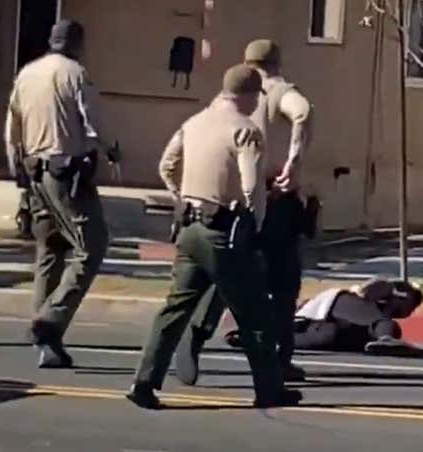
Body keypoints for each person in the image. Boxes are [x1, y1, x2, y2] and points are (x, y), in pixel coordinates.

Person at [126, 65, 302, 410]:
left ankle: (144, 382)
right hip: (224, 231)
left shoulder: (194, 123)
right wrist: (255, 220)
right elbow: (251, 185)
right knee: (256, 313)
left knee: (175, 308)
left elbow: (166, 165)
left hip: (190, 227)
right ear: (250, 96)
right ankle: (270, 389)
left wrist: (183, 196)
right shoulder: (246, 131)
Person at [176, 39, 314, 386]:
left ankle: (195, 336)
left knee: (225, 278)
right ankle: (280, 358)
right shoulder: (278, 90)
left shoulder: (226, 100)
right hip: (274, 198)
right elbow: (302, 111)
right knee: (283, 283)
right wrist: (294, 159)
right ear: (277, 63)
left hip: (231, 202)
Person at [5, 19, 120, 369]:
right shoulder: (75, 74)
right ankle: (50, 321)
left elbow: (13, 129)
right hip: (65, 173)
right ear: (77, 43)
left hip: (34, 171)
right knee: (92, 245)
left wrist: (20, 178)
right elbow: (92, 122)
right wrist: (111, 149)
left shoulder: (27, 74)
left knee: (52, 248)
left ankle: (43, 332)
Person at [226, 279, 423, 353]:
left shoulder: (379, 318)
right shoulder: (372, 298)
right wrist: (391, 289)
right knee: (385, 326)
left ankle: (255, 338)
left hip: (327, 328)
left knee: (324, 336)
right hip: (335, 305)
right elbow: (366, 291)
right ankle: (387, 340)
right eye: (411, 304)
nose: (409, 311)